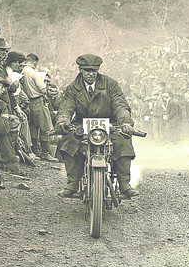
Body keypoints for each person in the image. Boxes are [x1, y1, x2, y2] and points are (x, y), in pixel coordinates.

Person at [56, 54, 139, 198]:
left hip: (109, 124)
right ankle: (72, 183)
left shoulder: (110, 84)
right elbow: (66, 106)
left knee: (123, 140)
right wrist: (63, 120)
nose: (91, 74)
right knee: (70, 140)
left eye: (94, 70)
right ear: (80, 70)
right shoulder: (73, 88)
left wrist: (125, 122)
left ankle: (124, 183)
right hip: (82, 124)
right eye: (87, 70)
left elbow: (120, 104)